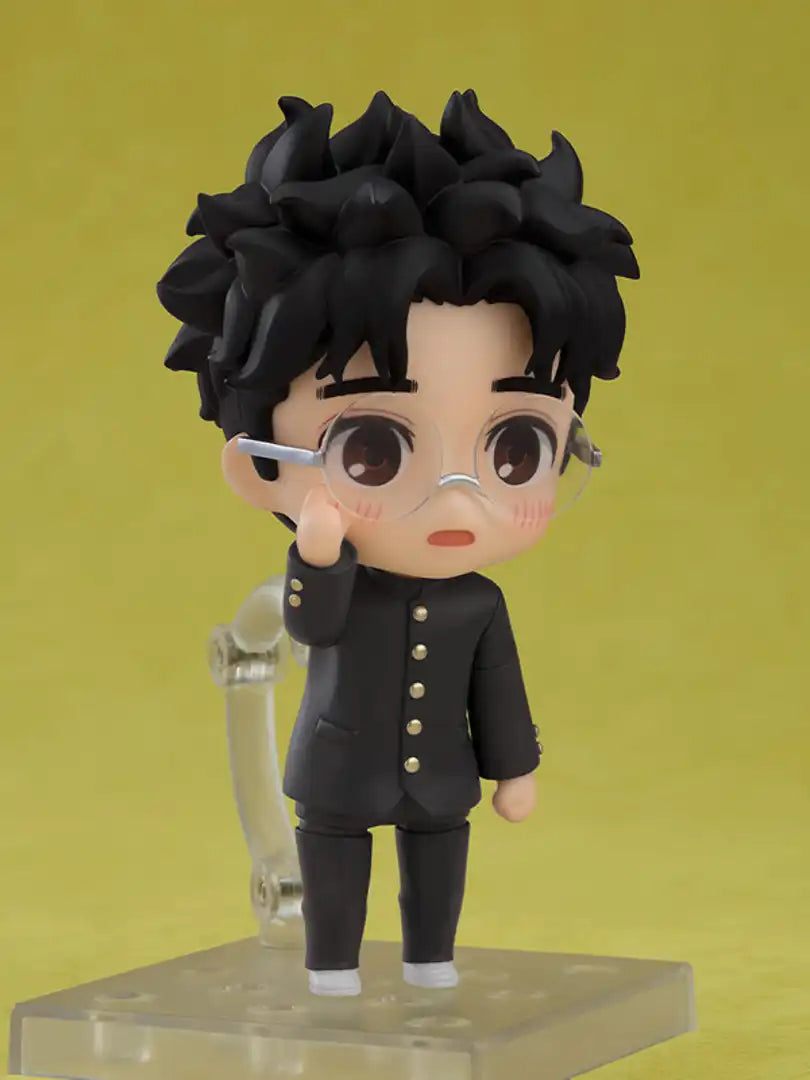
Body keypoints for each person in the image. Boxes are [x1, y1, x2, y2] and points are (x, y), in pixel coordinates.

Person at [157, 88, 638, 997]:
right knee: (336, 871)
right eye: (374, 452)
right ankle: (331, 968)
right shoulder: (341, 580)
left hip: (442, 783)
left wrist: (515, 769)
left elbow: (499, 688)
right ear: (259, 469)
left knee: (438, 871)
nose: (458, 496)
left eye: (515, 448)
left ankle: (430, 961)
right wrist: (320, 554)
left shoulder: (478, 601)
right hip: (339, 775)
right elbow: (311, 628)